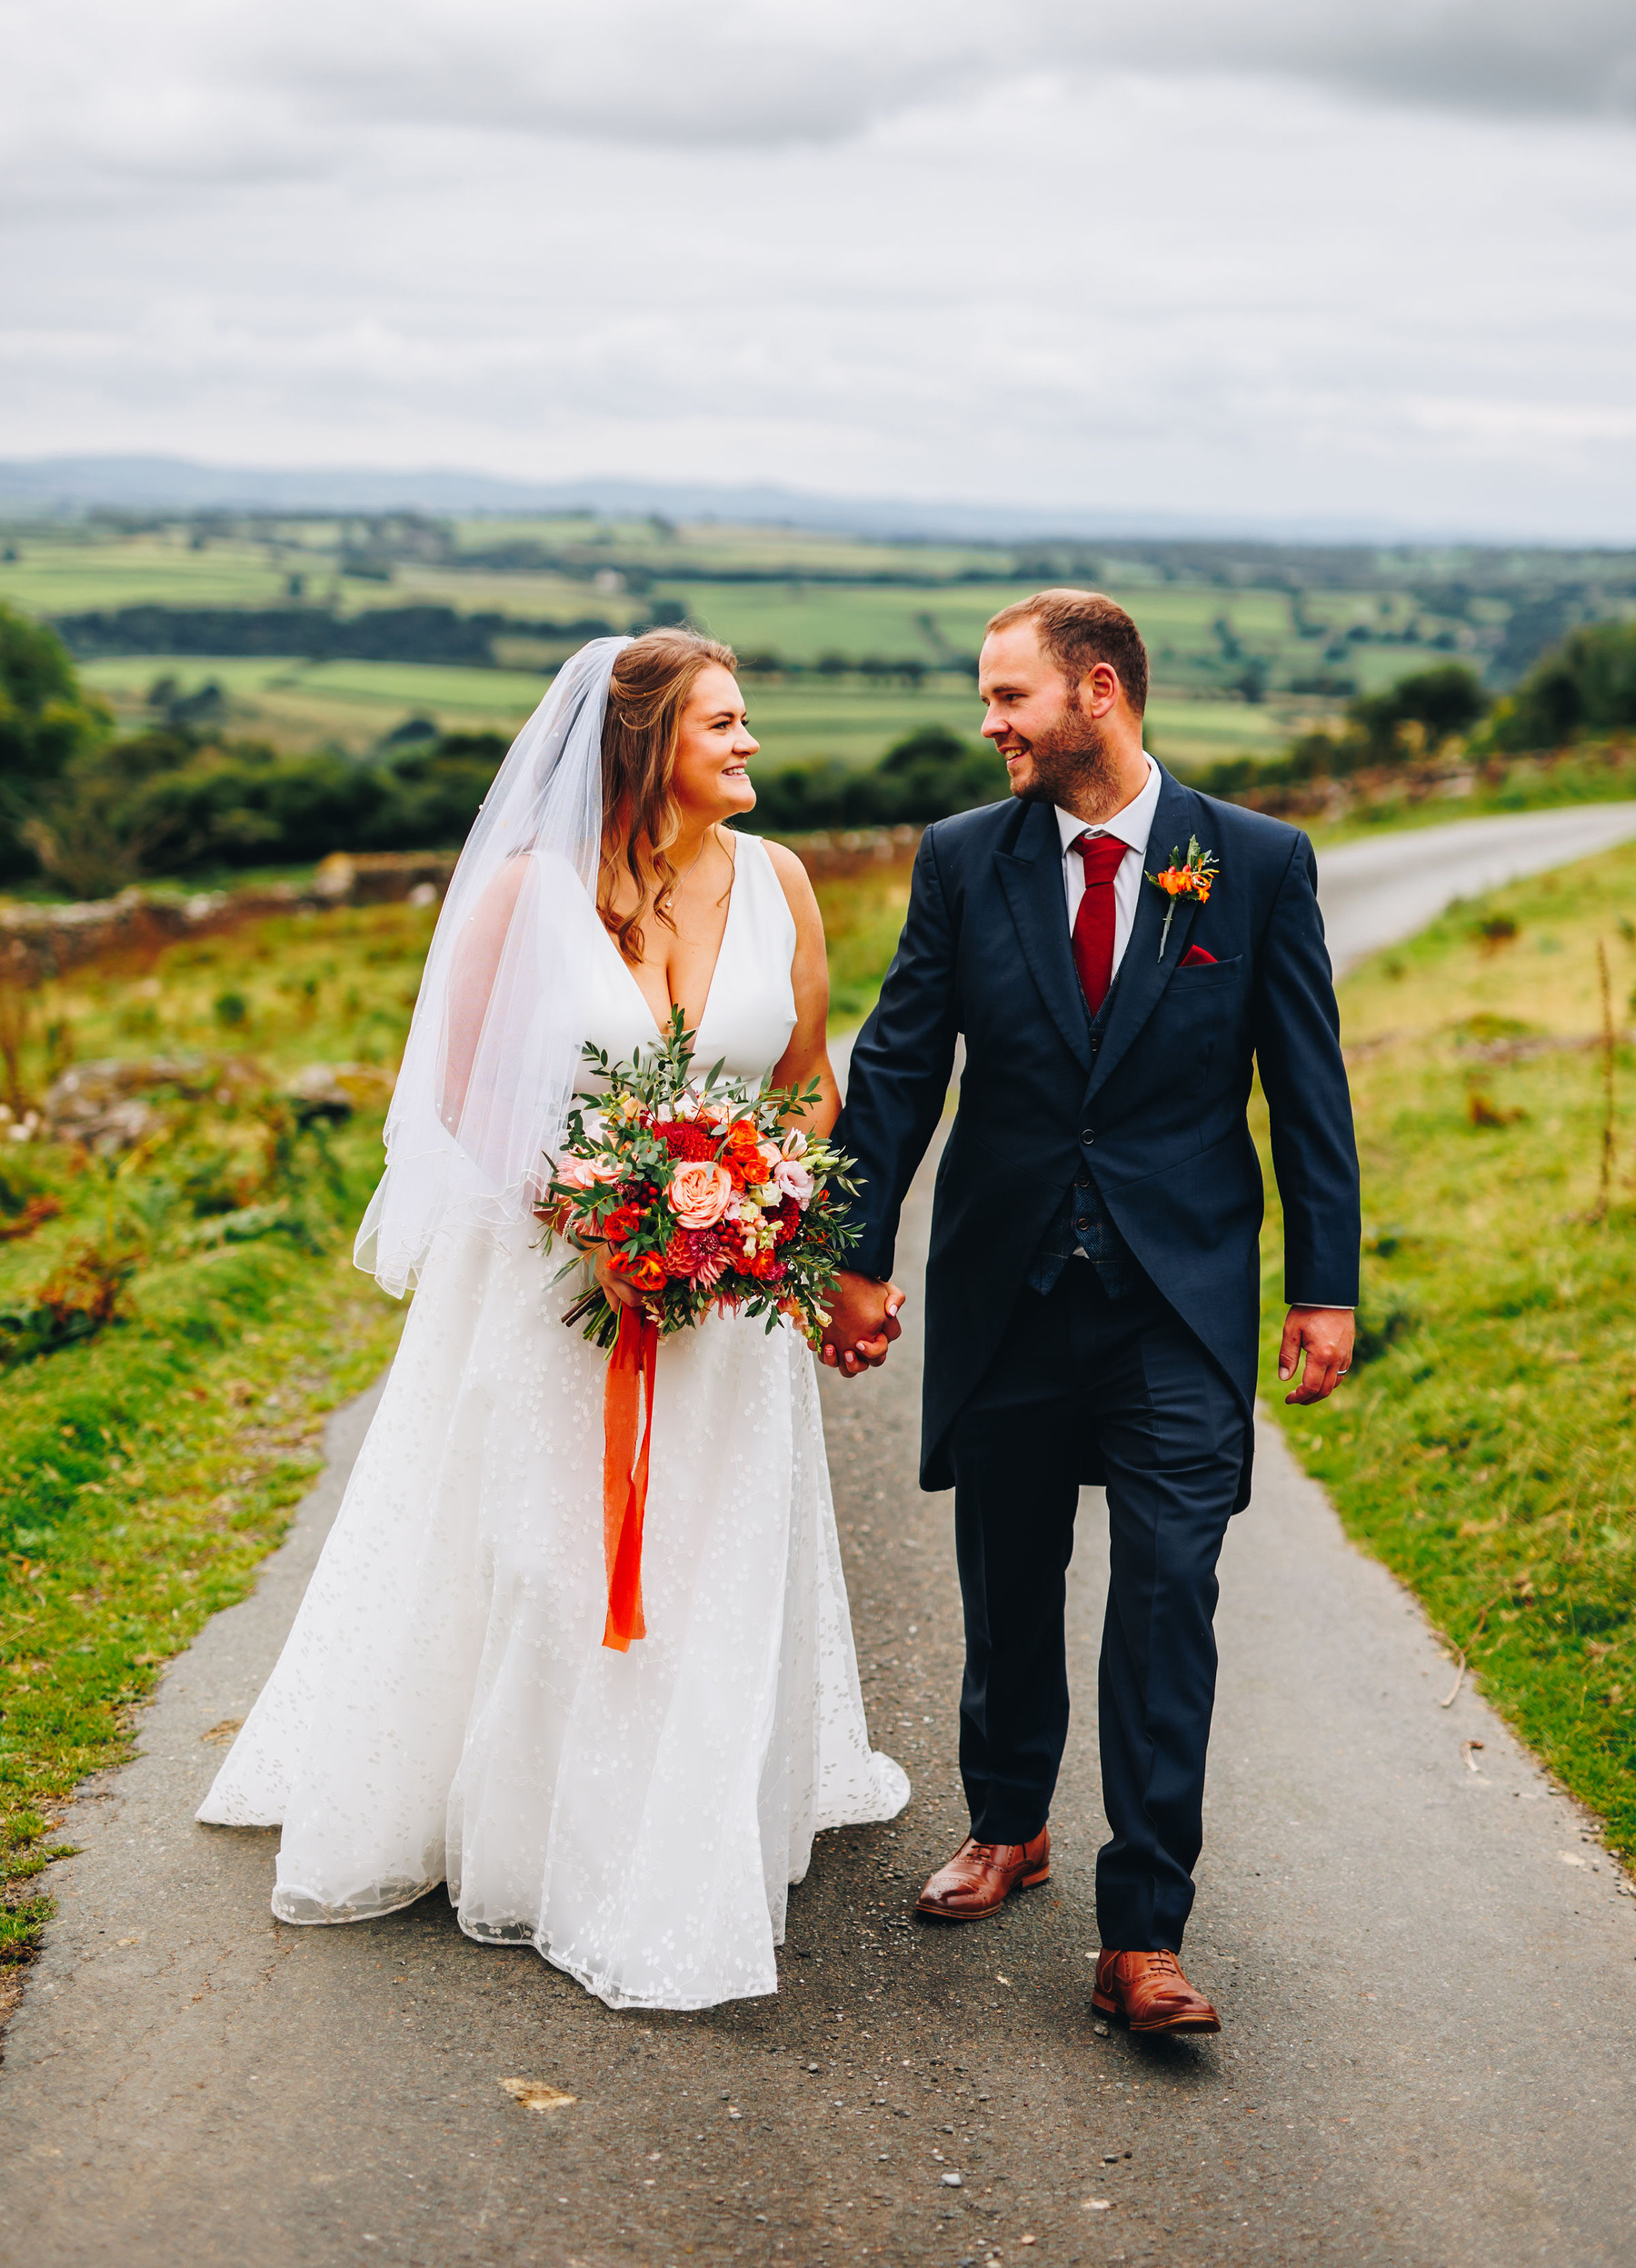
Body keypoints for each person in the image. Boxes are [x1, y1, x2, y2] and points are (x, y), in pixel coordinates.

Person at [200, 631, 907, 2012]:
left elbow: (810, 1084)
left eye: (747, 718)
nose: (751, 743)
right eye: (725, 722)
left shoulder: (781, 884)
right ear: (647, 744)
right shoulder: (527, 896)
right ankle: (521, 1834)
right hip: (549, 1289)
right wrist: (599, 1216)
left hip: (724, 1311)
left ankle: (676, 1821)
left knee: (709, 1556)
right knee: (540, 1556)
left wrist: (761, 1222)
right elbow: (460, 1099)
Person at [824, 588, 1359, 2034]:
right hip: (1009, 1289)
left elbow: (1306, 1086)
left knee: (1167, 1595)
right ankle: (1008, 1824)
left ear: (1100, 694)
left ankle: (1145, 1932)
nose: (988, 724)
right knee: (1008, 1579)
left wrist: (1325, 1284)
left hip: (1175, 1304)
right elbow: (896, 1068)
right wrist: (856, 1251)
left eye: (1010, 699)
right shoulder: (961, 860)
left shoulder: (1248, 864)